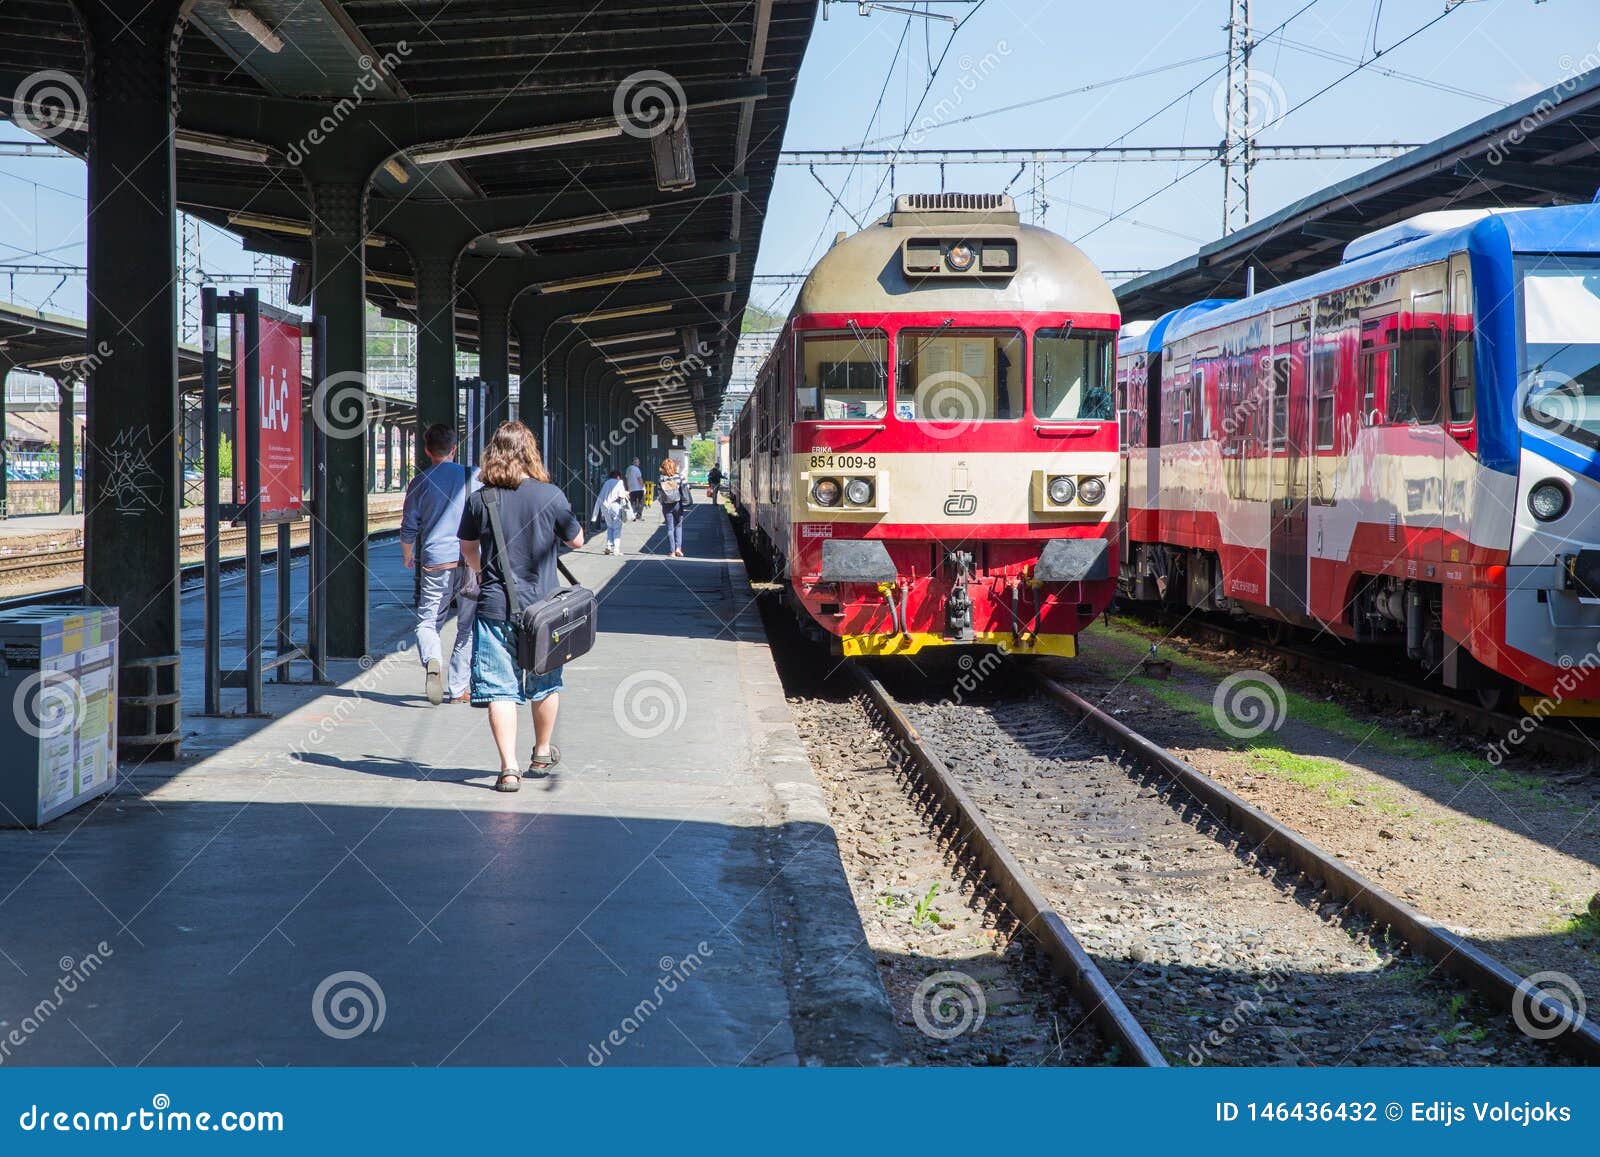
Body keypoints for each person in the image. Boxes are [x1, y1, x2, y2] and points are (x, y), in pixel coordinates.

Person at [458, 421, 584, 792]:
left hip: (496, 606)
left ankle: (508, 768)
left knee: (500, 690)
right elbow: (576, 540)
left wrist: (485, 571)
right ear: (531, 453)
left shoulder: (481, 499)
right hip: (545, 612)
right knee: (545, 683)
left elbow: (467, 549)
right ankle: (541, 753)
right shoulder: (551, 495)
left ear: (492, 454)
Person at [400, 423, 476, 705]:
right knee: (467, 624)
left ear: (427, 450)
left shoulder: (419, 482)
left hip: (435, 560)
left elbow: (409, 526)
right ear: (454, 449)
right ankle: (458, 689)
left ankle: (432, 658)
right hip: (469, 561)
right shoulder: (473, 475)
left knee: (427, 621)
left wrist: (407, 554)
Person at [657, 456, 692, 558]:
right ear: (674, 467)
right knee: (679, 526)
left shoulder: (661, 479)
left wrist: (663, 502)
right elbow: (687, 488)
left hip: (666, 504)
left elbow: (659, 494)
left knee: (670, 528)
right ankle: (678, 548)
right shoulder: (679, 477)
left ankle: (672, 551)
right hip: (678, 503)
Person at [591, 468, 631, 555]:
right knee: (617, 528)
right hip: (615, 506)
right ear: (618, 476)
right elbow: (621, 495)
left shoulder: (606, 483)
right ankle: (616, 549)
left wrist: (596, 514)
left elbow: (600, 496)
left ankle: (609, 546)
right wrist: (626, 493)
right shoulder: (619, 482)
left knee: (610, 527)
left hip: (605, 507)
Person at [624, 457, 646, 521]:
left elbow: (626, 478)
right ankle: (638, 515)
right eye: (637, 462)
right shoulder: (637, 469)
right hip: (638, 488)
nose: (639, 463)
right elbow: (639, 479)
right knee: (641, 502)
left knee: (632, 502)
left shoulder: (628, 469)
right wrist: (643, 487)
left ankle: (632, 515)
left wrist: (627, 487)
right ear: (634, 462)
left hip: (631, 488)